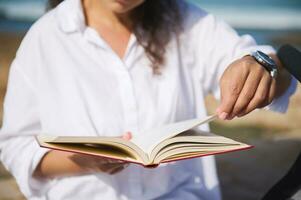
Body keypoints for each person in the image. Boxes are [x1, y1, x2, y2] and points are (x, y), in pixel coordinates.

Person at [0, 0, 296, 199]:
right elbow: (16, 146)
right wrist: (86, 161)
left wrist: (263, 64)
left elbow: (269, 70)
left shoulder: (184, 21)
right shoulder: (47, 37)